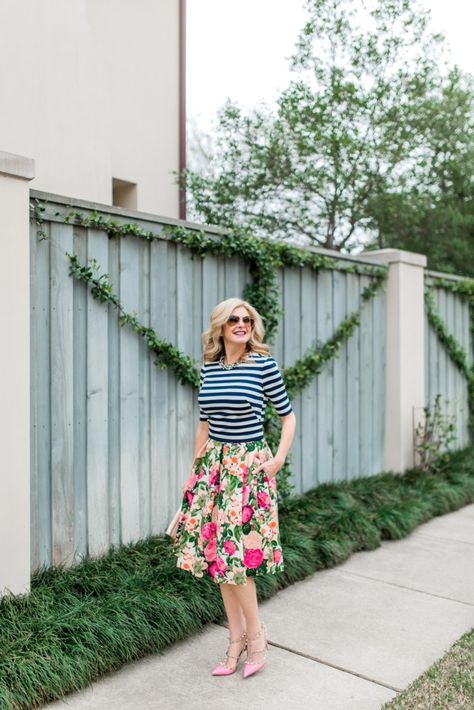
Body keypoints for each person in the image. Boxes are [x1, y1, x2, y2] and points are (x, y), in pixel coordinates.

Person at [172, 297, 296, 678]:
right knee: (219, 554)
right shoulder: (209, 369)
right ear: (221, 327)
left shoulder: (263, 366)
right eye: (233, 319)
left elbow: (288, 416)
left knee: (236, 555)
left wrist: (277, 459)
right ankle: (236, 639)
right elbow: (204, 424)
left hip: (248, 468)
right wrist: (194, 475)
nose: (241, 324)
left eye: (247, 319)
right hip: (213, 468)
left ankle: (255, 636)